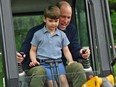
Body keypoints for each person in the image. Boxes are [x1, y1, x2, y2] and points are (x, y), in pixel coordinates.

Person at [17, 1, 90, 87]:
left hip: (60, 65)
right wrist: (21, 56)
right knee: (41, 72)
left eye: (68, 17)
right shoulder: (36, 33)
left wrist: (81, 53)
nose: (66, 21)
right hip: (40, 65)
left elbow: (73, 49)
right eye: (63, 17)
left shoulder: (70, 30)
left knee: (77, 67)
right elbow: (26, 50)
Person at [29, 5, 74, 87]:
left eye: (56, 21)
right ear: (44, 19)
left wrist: (70, 61)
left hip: (58, 62)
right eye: (50, 21)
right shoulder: (38, 34)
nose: (53, 24)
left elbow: (66, 50)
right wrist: (34, 60)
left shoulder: (61, 35)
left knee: (63, 81)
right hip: (44, 64)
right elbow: (33, 50)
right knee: (52, 84)